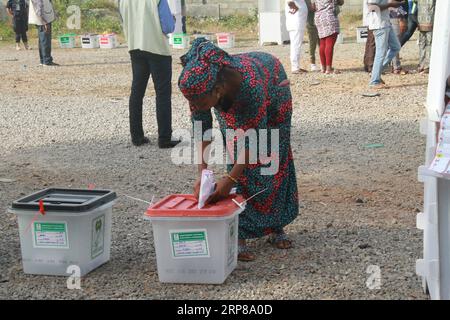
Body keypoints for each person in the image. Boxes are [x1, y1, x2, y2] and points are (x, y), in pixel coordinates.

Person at [178, 38, 299, 262]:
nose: (197, 107)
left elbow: (255, 141)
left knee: (271, 158)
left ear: (218, 90)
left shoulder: (250, 87)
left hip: (272, 85)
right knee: (236, 152)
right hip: (235, 94)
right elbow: (202, 129)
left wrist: (230, 179)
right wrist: (203, 175)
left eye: (202, 103)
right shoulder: (198, 88)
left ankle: (275, 226)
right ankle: (239, 233)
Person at [119, 0, 180, 148]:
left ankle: (137, 136)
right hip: (157, 48)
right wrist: (173, 19)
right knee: (162, 94)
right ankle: (164, 138)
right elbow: (168, 27)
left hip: (135, 47)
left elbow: (123, 20)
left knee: (137, 92)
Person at [367, 0, 404, 89]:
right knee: (381, 53)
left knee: (396, 47)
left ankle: (375, 73)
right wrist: (390, 4)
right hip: (379, 25)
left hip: (386, 23)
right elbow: (372, 7)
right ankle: (374, 81)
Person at [313, 0, 344, 74]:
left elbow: (313, 6)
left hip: (318, 17)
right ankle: (328, 68)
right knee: (329, 43)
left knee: (322, 43)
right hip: (329, 16)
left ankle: (323, 68)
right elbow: (341, 2)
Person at [29, 0, 58, 67]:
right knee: (45, 40)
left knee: (43, 40)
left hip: (43, 19)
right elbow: (38, 8)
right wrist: (44, 22)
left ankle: (44, 60)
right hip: (43, 20)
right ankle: (46, 61)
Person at [285, 0, 308, 74]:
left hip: (297, 23)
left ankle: (296, 66)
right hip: (296, 23)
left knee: (296, 45)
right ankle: (295, 67)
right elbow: (290, 2)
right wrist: (295, 7)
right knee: (296, 45)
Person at [416, 0, 435, 74]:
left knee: (422, 44)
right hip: (430, 21)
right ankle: (427, 66)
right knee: (429, 44)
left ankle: (421, 65)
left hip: (421, 20)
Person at [389, 5, 408, 74]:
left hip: (390, 16)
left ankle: (394, 66)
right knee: (395, 44)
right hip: (394, 16)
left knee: (391, 44)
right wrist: (400, 18)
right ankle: (396, 67)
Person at [305, 0, 320, 71]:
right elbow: (306, 6)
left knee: (322, 43)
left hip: (321, 21)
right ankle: (312, 64)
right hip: (311, 21)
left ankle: (324, 63)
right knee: (312, 43)